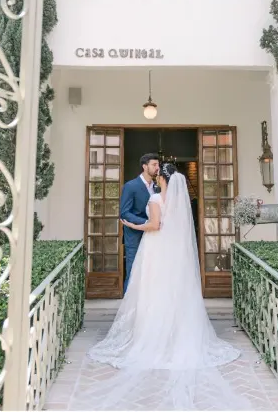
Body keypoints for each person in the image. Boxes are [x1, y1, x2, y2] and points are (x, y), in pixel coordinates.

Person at [78, 163, 249, 410]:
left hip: (156, 250)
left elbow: (154, 225)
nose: (156, 177)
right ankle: (174, 337)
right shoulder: (180, 203)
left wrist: (132, 225)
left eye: (159, 175)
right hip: (174, 255)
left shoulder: (157, 198)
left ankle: (153, 336)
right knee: (174, 294)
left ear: (163, 179)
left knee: (153, 292)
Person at [119, 153, 159, 292]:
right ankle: (128, 309)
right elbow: (124, 213)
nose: (157, 168)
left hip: (153, 236)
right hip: (134, 236)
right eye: (154, 165)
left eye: (158, 165)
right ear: (144, 166)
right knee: (133, 272)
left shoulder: (157, 187)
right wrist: (147, 221)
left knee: (150, 272)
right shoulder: (131, 186)